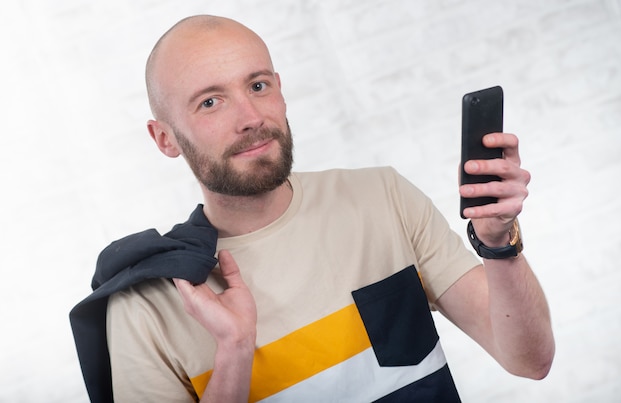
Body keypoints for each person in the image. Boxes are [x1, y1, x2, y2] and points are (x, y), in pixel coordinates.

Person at [72, 14, 555, 402]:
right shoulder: (144, 306)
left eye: (258, 86)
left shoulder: (382, 199)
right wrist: (235, 353)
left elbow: (530, 361)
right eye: (210, 102)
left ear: (279, 89)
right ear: (165, 139)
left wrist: (498, 245)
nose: (250, 118)